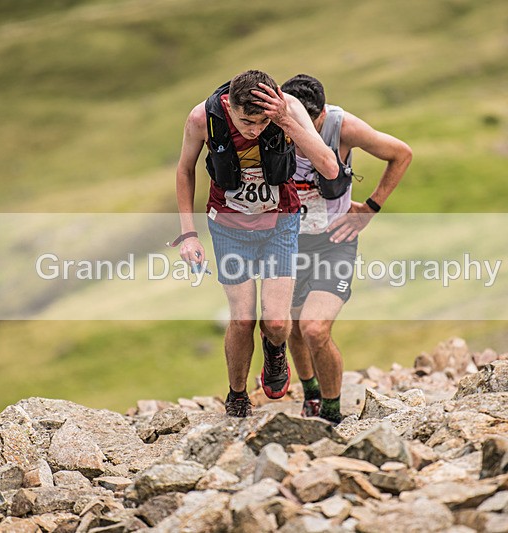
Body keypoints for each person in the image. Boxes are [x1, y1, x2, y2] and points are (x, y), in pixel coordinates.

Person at [174, 70, 338, 418]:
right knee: (242, 318)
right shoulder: (202, 118)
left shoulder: (287, 109)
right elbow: (185, 170)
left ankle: (274, 351)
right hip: (229, 226)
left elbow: (329, 168)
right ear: (229, 106)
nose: (255, 130)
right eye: (246, 121)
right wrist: (188, 233)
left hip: (280, 222)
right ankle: (237, 396)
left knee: (276, 323)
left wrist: (285, 121)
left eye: (262, 122)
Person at [280, 74, 413, 424]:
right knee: (291, 327)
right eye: (293, 123)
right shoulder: (274, 123)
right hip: (287, 243)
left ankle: (331, 413)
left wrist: (370, 208)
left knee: (314, 329)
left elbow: (401, 154)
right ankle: (309, 394)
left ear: (321, 114)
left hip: (333, 243)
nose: (299, 132)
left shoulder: (342, 126)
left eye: (308, 124)